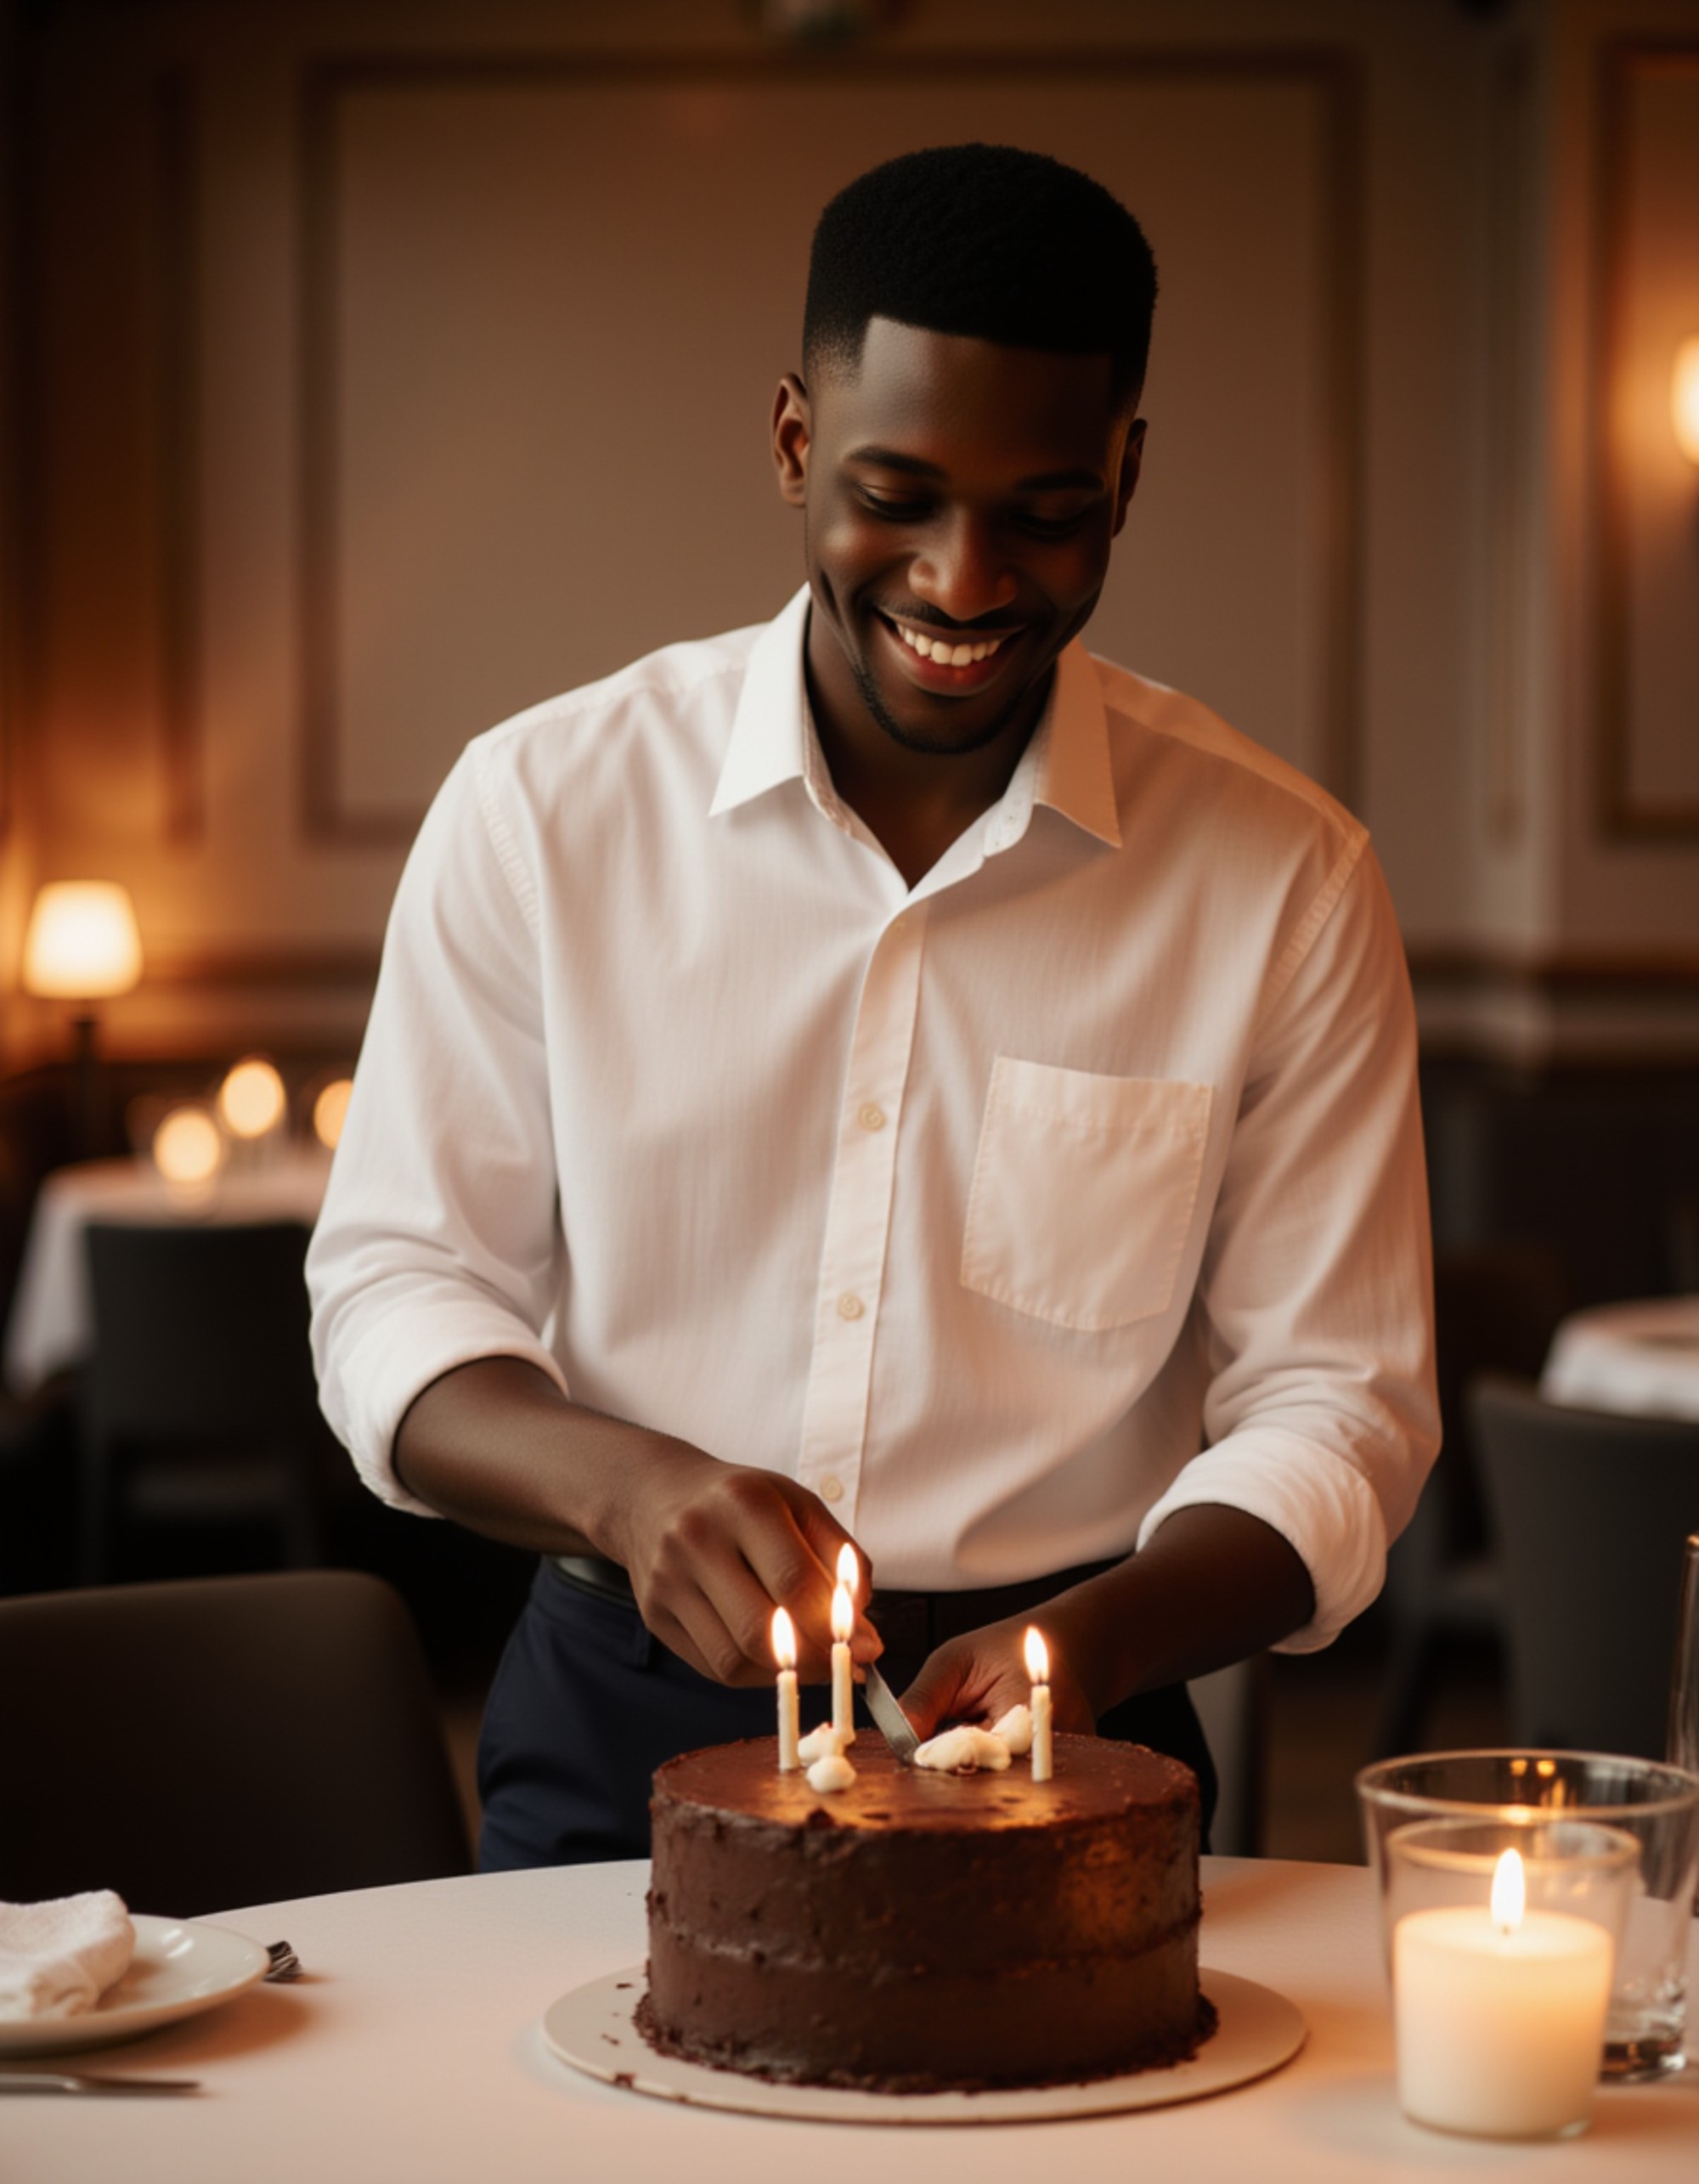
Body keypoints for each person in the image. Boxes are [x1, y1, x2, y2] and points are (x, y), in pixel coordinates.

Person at [307, 143, 1437, 1867]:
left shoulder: (1286, 878)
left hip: (1085, 1726)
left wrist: (1102, 1639)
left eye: (1043, 509)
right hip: (623, 1709)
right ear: (790, 445)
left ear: (1124, 477)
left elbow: (1340, 1406)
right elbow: (392, 1289)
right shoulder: (541, 809)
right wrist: (628, 1489)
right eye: (894, 493)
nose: (964, 578)